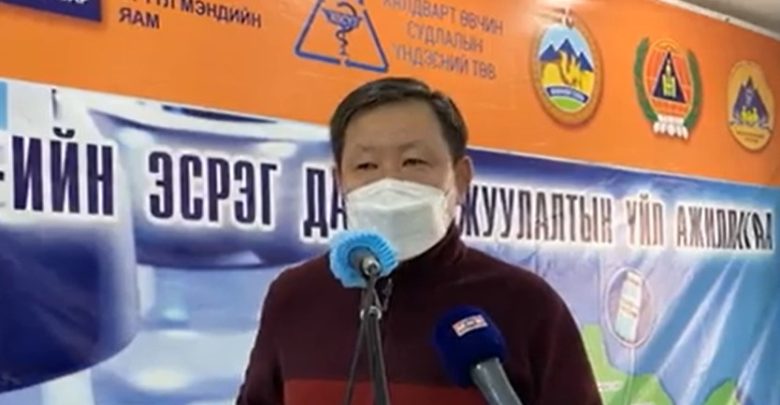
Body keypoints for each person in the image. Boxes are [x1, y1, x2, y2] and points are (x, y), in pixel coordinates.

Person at [236, 77, 602, 405]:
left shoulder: (527, 304)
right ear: (340, 182)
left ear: (460, 177)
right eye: (366, 166)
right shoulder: (294, 297)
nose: (389, 183)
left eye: (413, 162)